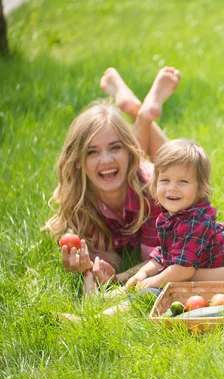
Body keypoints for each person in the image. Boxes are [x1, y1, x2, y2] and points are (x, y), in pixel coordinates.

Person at [43, 67, 180, 292]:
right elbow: (109, 254)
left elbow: (157, 259)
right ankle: (137, 110)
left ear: (130, 151)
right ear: (78, 160)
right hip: (130, 169)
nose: (105, 160)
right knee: (123, 163)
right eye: (92, 152)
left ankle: (143, 116)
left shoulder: (153, 191)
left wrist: (120, 279)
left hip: (144, 176)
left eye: (115, 148)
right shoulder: (80, 200)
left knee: (177, 167)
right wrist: (93, 264)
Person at [81, 139, 224, 318]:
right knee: (151, 281)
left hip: (211, 286)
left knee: (150, 295)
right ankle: (106, 298)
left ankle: (97, 319)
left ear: (200, 188)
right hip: (188, 276)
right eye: (165, 180)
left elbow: (183, 269)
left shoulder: (194, 221)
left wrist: (152, 281)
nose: (172, 188)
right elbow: (166, 254)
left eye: (183, 181)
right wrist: (144, 272)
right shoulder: (173, 215)